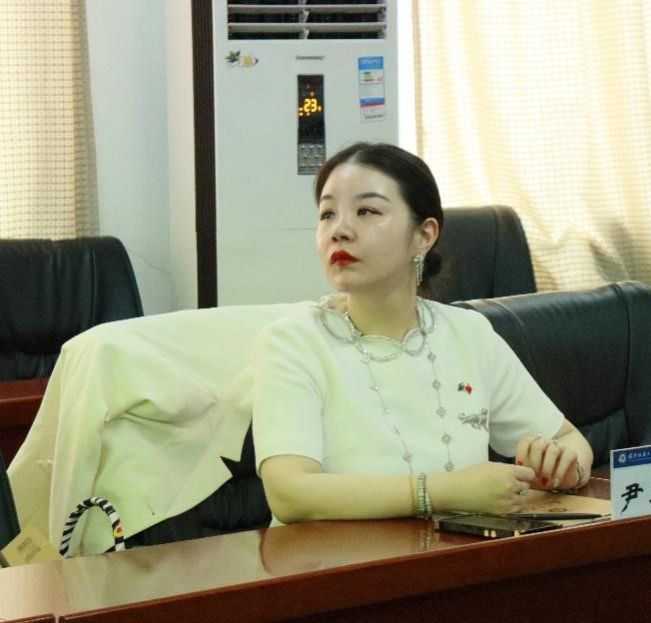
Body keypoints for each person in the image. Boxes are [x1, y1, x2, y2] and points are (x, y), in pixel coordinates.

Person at [252, 142, 593, 524]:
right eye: (327, 214)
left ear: (424, 235)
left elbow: (569, 440)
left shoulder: (469, 333)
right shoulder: (293, 342)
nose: (339, 231)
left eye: (366, 211)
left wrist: (565, 466)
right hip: (333, 557)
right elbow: (289, 494)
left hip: (457, 551)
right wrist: (444, 492)